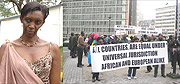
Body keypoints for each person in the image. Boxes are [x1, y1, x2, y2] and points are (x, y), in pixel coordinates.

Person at [0, 2, 61, 84]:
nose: (32, 26)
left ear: (42, 23)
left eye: (37, 22)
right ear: (21, 19)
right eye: (28, 20)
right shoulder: (8, 48)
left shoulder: (52, 49)